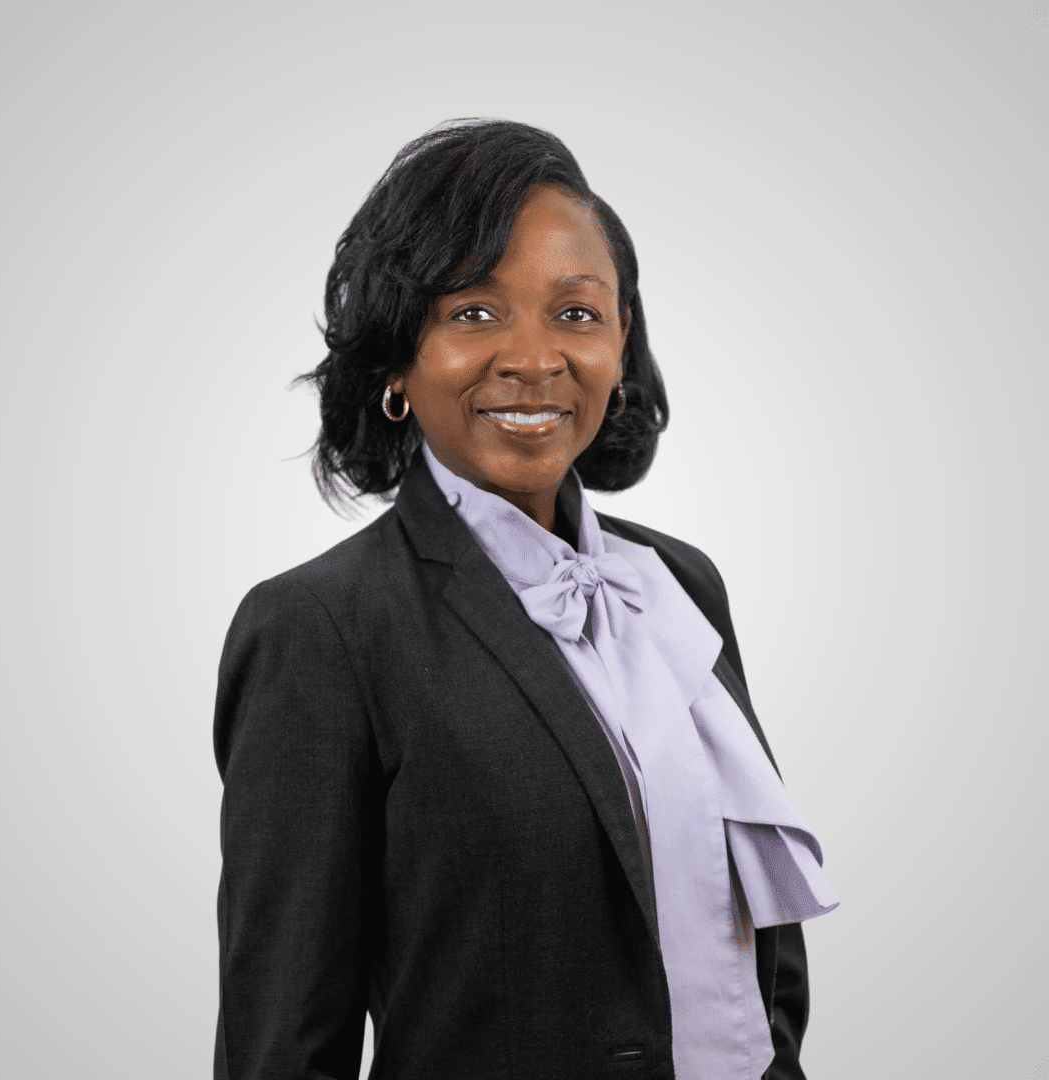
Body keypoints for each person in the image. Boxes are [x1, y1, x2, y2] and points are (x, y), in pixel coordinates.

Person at [213, 119, 838, 1080]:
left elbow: (760, 942)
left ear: (621, 346)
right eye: (473, 312)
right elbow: (283, 1044)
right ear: (396, 358)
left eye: (576, 312)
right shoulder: (320, 628)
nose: (535, 357)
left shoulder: (679, 586)